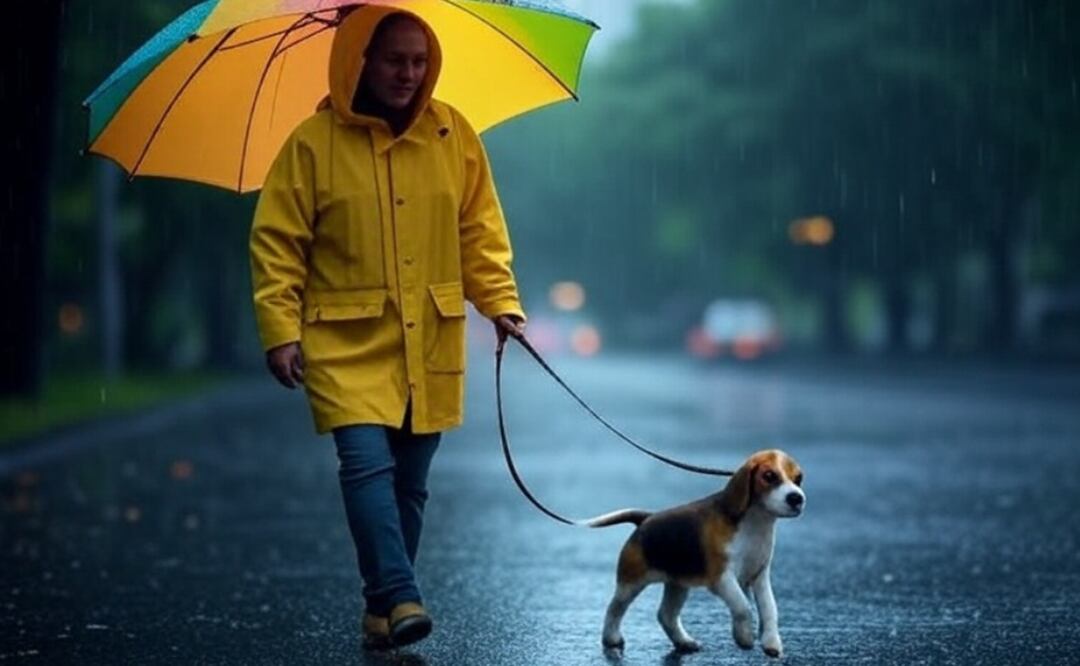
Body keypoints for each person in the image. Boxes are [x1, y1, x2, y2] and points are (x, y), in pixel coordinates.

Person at [248, 7, 526, 651]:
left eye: (419, 60)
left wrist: (501, 302)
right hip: (344, 340)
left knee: (411, 480)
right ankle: (402, 596)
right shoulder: (312, 144)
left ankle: (381, 607)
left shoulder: (452, 135)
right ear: (360, 62)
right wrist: (279, 328)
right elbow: (277, 244)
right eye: (394, 59)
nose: (409, 73)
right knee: (366, 466)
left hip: (428, 335)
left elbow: (479, 230)